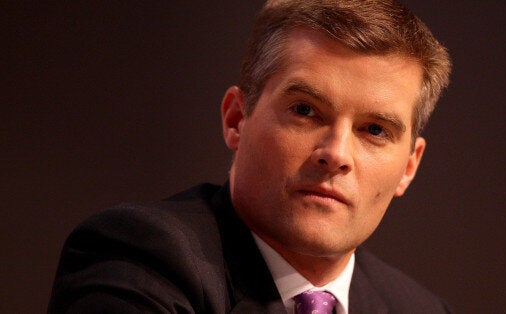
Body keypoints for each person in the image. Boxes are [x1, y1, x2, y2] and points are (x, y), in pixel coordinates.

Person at [48, 0, 452, 313]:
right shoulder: (142, 257)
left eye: (375, 130)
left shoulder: (420, 308)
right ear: (237, 118)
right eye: (305, 110)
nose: (336, 154)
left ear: (409, 166)